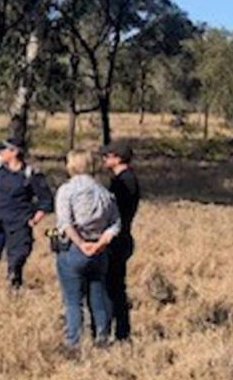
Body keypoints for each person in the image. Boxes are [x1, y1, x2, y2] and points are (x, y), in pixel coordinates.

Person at [0, 138, 54, 304]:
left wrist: (34, 220)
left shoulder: (30, 174)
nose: (1, 152)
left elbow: (46, 201)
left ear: (15, 152)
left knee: (15, 263)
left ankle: (12, 300)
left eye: (4, 149)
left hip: (18, 225)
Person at [54, 150, 121, 351]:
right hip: (99, 253)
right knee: (97, 297)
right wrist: (100, 243)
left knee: (73, 301)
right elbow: (115, 225)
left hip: (73, 249)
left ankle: (73, 342)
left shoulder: (67, 190)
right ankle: (102, 337)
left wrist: (81, 244)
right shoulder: (104, 192)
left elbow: (65, 223)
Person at [102, 141, 140, 342]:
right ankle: (120, 331)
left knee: (113, 287)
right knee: (116, 286)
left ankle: (118, 331)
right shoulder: (127, 178)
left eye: (107, 156)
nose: (104, 160)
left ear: (117, 158)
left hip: (117, 239)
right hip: (123, 237)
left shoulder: (122, 182)